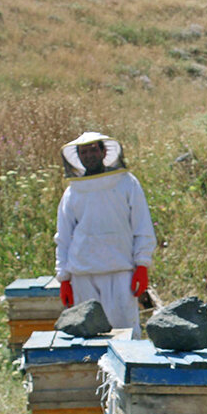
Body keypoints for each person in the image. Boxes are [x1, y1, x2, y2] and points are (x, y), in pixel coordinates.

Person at [55, 131, 156, 336]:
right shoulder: (72, 192)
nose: (89, 155)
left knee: (125, 333)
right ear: (78, 157)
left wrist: (142, 265)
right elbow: (63, 238)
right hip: (83, 274)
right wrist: (64, 278)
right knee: (88, 336)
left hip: (120, 272)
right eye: (84, 152)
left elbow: (142, 226)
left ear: (103, 151)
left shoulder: (127, 182)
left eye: (93, 149)